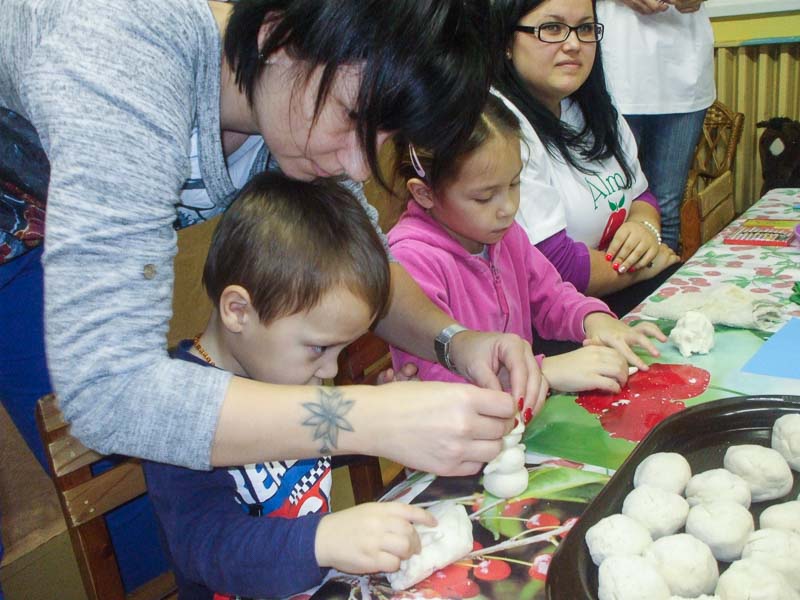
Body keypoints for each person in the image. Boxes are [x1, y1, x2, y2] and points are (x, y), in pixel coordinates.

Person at [0, 0, 545, 591]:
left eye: (383, 136)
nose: (358, 166)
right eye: (352, 117)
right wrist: (366, 418)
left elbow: (368, 270)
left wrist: (454, 342)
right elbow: (110, 394)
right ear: (275, 34)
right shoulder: (124, 52)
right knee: (140, 531)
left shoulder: (300, 94)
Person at [144, 173, 438, 599]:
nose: (330, 369)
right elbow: (206, 547)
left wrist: (379, 413)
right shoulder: (177, 406)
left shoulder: (285, 368)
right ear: (238, 311)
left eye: (341, 349)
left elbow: (313, 449)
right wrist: (322, 540)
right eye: (319, 348)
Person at [388, 95, 666, 406]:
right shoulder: (410, 262)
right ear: (424, 193)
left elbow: (551, 296)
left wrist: (592, 319)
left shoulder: (504, 234)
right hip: (462, 427)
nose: (508, 208)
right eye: (484, 198)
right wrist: (543, 371)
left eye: (514, 184)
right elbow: (434, 384)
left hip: (522, 412)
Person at [490, 0, 681, 320]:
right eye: (552, 28)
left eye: (585, 28)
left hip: (613, 292)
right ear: (507, 41)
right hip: (552, 320)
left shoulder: (589, 107)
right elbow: (557, 266)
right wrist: (645, 265)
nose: (574, 44)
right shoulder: (501, 128)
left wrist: (644, 227)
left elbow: (641, 196)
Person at [596, 0, 715, 253]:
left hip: (685, 67)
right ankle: (611, 278)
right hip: (618, 68)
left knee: (667, 208)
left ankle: (661, 277)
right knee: (610, 206)